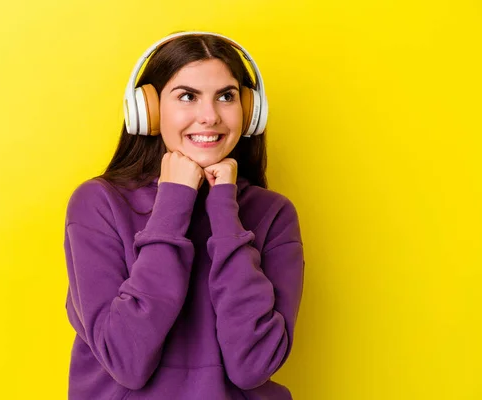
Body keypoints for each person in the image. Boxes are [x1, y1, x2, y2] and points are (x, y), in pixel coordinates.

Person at [63, 31, 305, 400]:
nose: (209, 116)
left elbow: (252, 366)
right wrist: (174, 202)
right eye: (187, 97)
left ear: (249, 111)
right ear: (150, 110)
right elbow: (127, 359)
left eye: (226, 96)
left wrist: (225, 211)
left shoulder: (273, 214)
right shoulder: (98, 204)